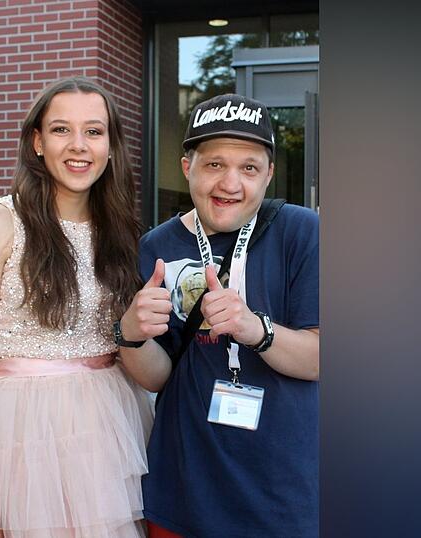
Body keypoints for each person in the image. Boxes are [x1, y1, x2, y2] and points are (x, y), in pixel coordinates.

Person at [0, 76, 154, 538]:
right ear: (36, 142)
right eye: (60, 130)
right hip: (21, 445)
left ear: (111, 147)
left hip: (109, 438)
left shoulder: (123, 235)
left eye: (94, 131)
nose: (79, 145)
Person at [116, 94, 320, 538]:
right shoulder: (156, 246)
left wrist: (255, 329)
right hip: (184, 487)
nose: (230, 183)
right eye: (214, 165)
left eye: (248, 167)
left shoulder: (303, 233)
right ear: (187, 167)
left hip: (284, 494)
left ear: (269, 174)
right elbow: (157, 376)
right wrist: (130, 336)